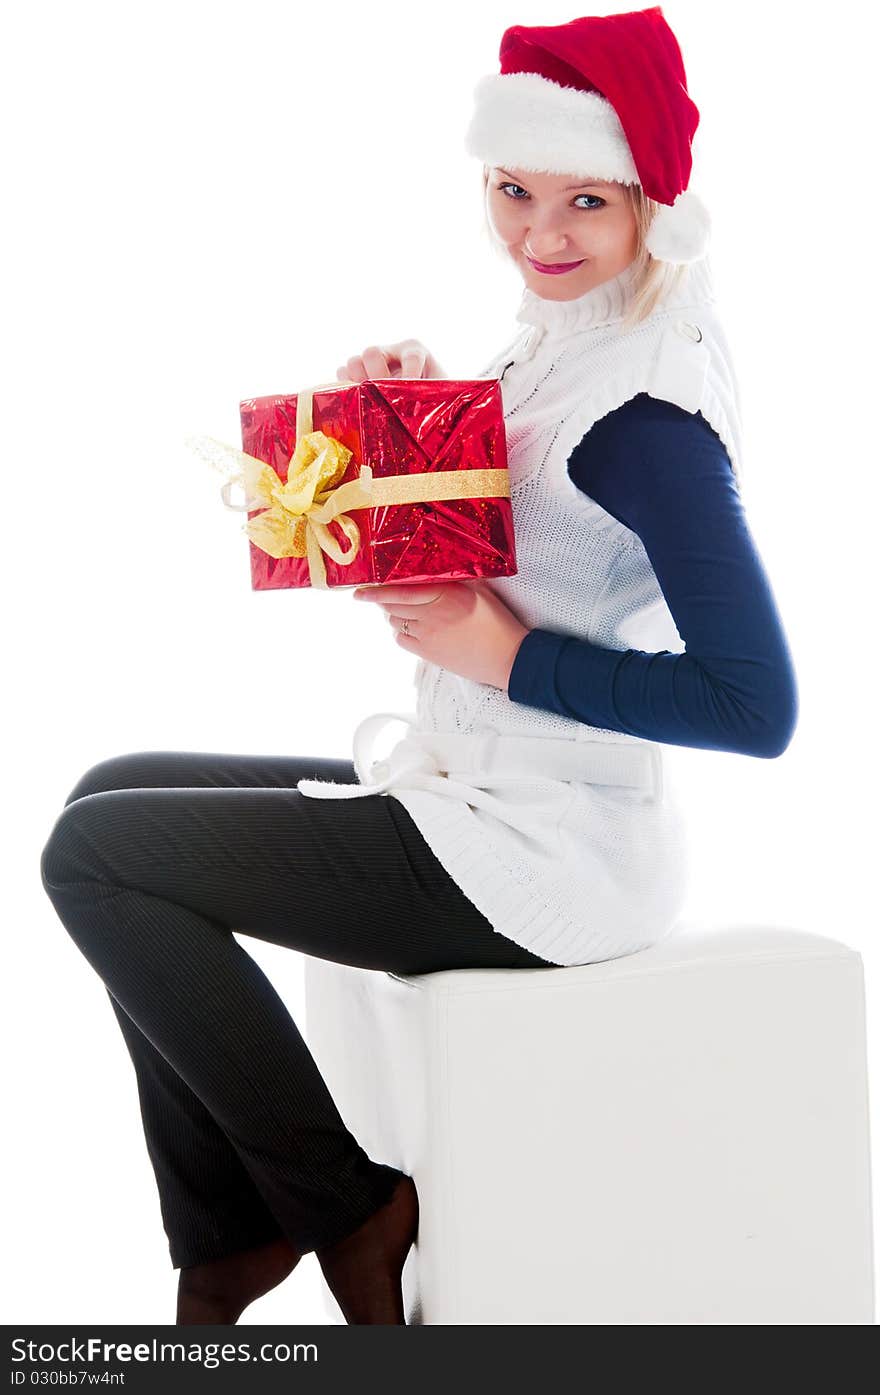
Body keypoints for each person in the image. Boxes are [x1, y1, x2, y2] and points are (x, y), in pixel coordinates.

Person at [39, 7, 797, 1327]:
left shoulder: (651, 417)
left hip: (543, 852)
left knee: (96, 861)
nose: (540, 235)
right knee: (110, 793)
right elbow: (543, 510)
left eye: (584, 203)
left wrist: (505, 652)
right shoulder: (578, 322)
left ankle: (339, 1209)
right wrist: (425, 417)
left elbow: (754, 702)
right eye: (513, 192)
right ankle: (229, 1231)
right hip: (481, 783)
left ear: (652, 207)